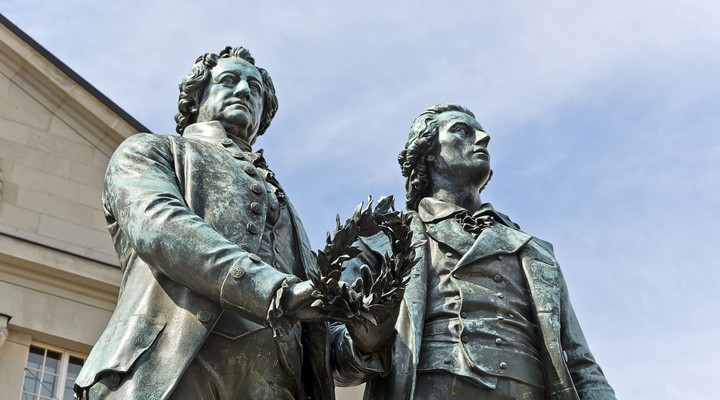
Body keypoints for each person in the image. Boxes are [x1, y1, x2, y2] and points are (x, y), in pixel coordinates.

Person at [74, 46, 393, 400]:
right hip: (174, 371)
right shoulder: (150, 152)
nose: (244, 91)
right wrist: (277, 291)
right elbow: (162, 226)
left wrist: (366, 335)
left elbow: (323, 347)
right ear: (196, 97)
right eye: (229, 80)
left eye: (255, 89)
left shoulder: (292, 215)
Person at [332, 104, 616, 399]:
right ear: (427, 151)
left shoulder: (536, 253)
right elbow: (331, 357)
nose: (483, 138)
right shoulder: (382, 241)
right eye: (462, 131)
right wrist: (365, 342)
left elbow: (580, 364)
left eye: (479, 132)